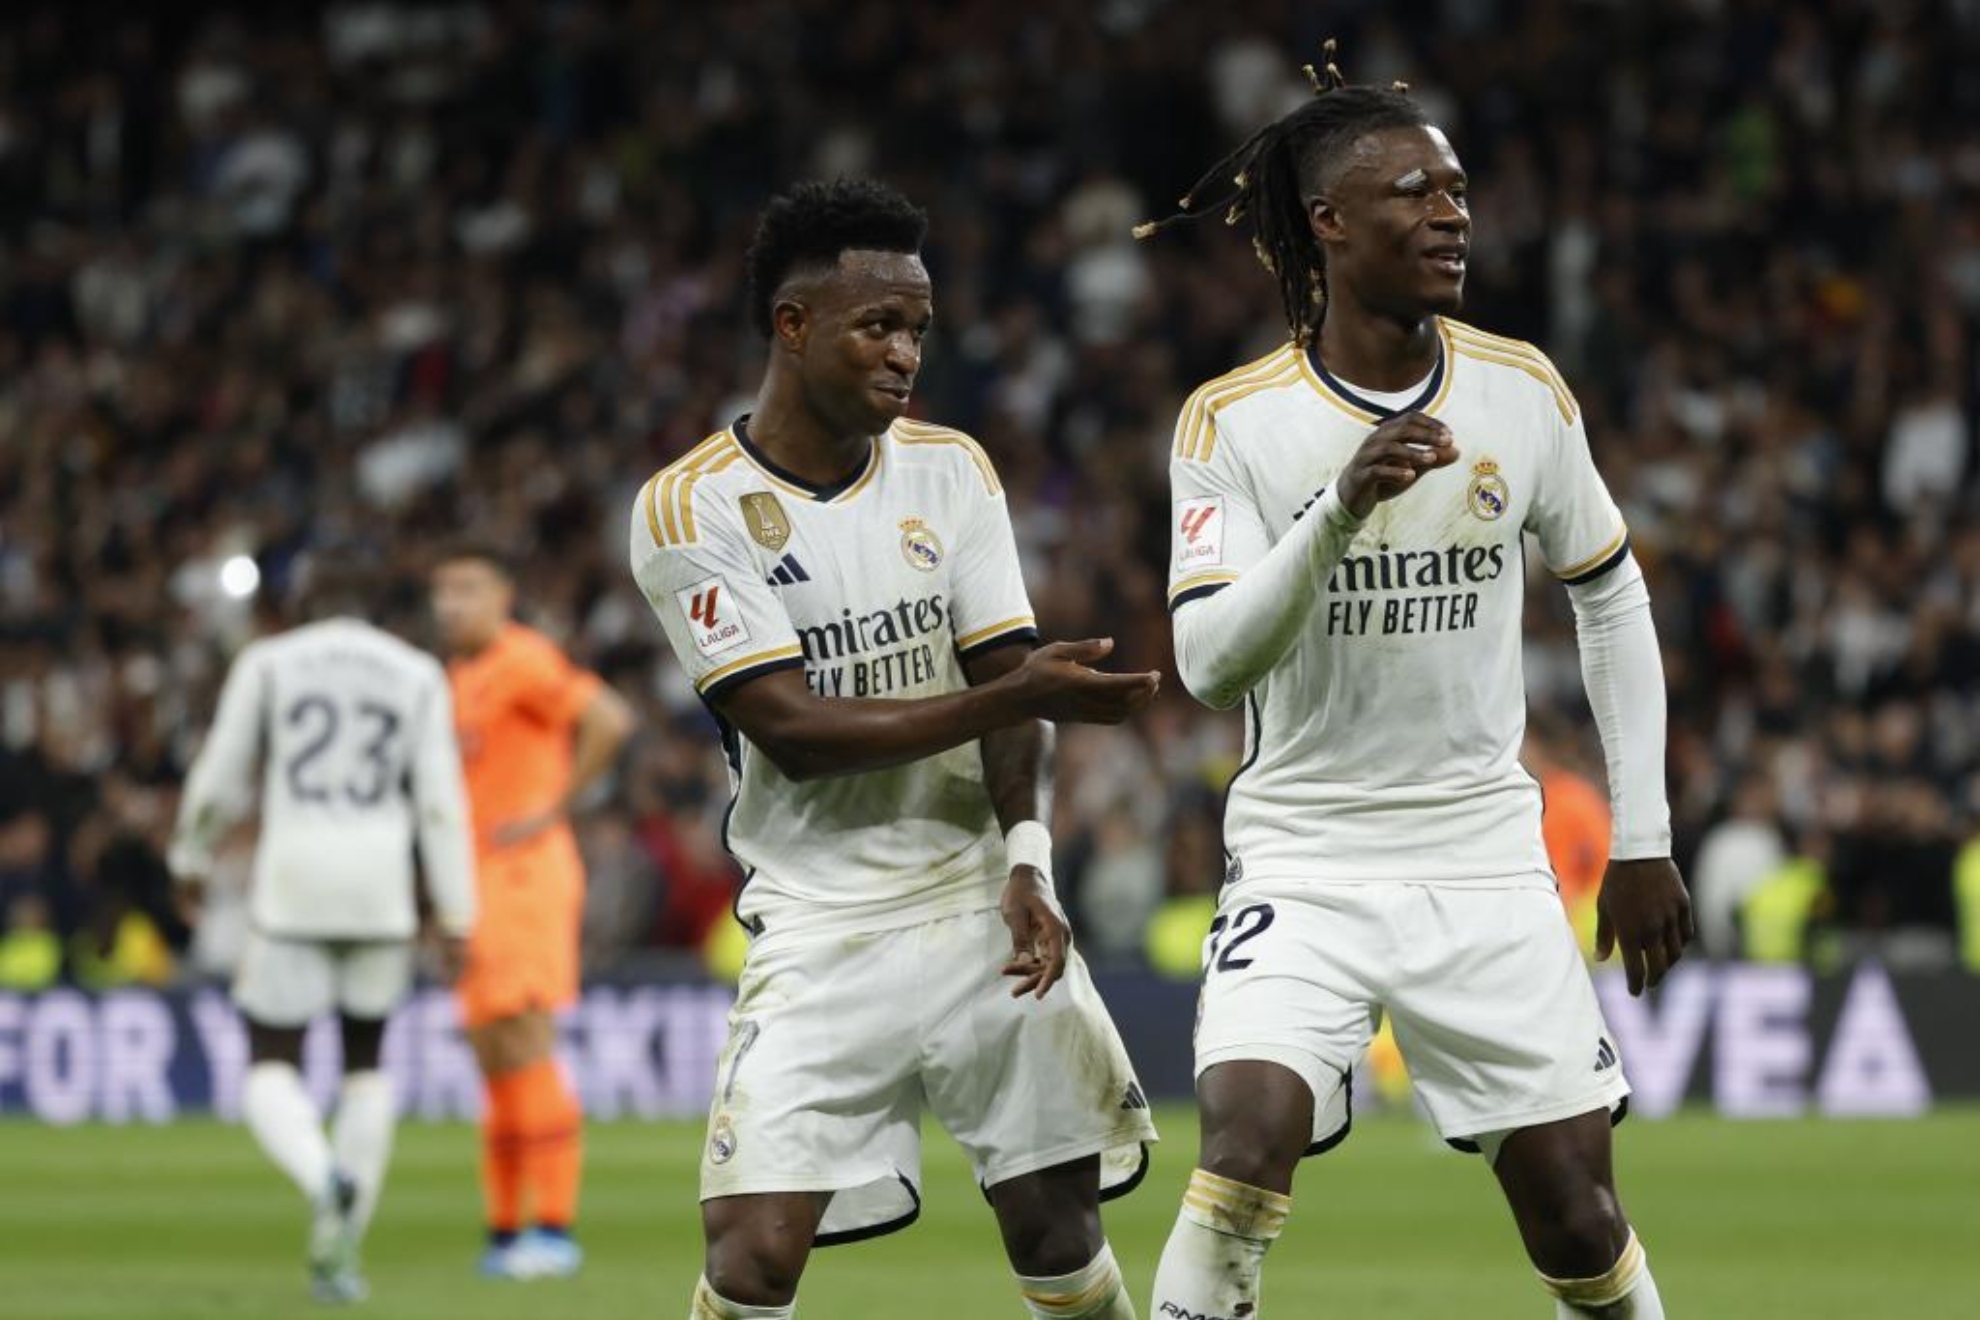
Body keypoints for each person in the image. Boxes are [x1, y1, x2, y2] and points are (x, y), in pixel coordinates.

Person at [1137, 47, 1690, 1319]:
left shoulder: (1520, 389)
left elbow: (1610, 592)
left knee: (1578, 1213)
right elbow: (1210, 663)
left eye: (1456, 192)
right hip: (1305, 853)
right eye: (1411, 192)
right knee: (1240, 1151)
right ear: (1326, 223)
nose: (1451, 215)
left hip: (1484, 856)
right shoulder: (1235, 421)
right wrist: (1338, 507)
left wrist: (1644, 840)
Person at [630, 178, 1161, 1320]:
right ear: (794, 326)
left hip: (979, 897)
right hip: (822, 917)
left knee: (1057, 1222)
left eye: (919, 327)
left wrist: (1029, 860)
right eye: (879, 324)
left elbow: (1011, 696)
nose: (907, 351)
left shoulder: (950, 469)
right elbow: (797, 732)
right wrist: (1011, 691)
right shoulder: (688, 509)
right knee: (752, 1251)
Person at [169, 567, 476, 1305]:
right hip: (380, 893)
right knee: (366, 1064)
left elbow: (219, 778)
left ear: (299, 604)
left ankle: (320, 1178)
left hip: (294, 886)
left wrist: (189, 855)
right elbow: (439, 800)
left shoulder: (269, 663)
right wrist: (458, 911)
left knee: (270, 1061)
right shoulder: (416, 672)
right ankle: (340, 1250)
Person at [430, 545, 636, 1280]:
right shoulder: (459, 678)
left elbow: (609, 718)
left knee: (524, 1040)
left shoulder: (522, 659)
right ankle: (505, 1230)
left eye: (467, 587)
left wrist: (552, 806)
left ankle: (553, 1227)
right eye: (443, 590)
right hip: (475, 883)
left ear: (502, 595)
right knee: (492, 1057)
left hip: (524, 877)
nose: (451, 603)